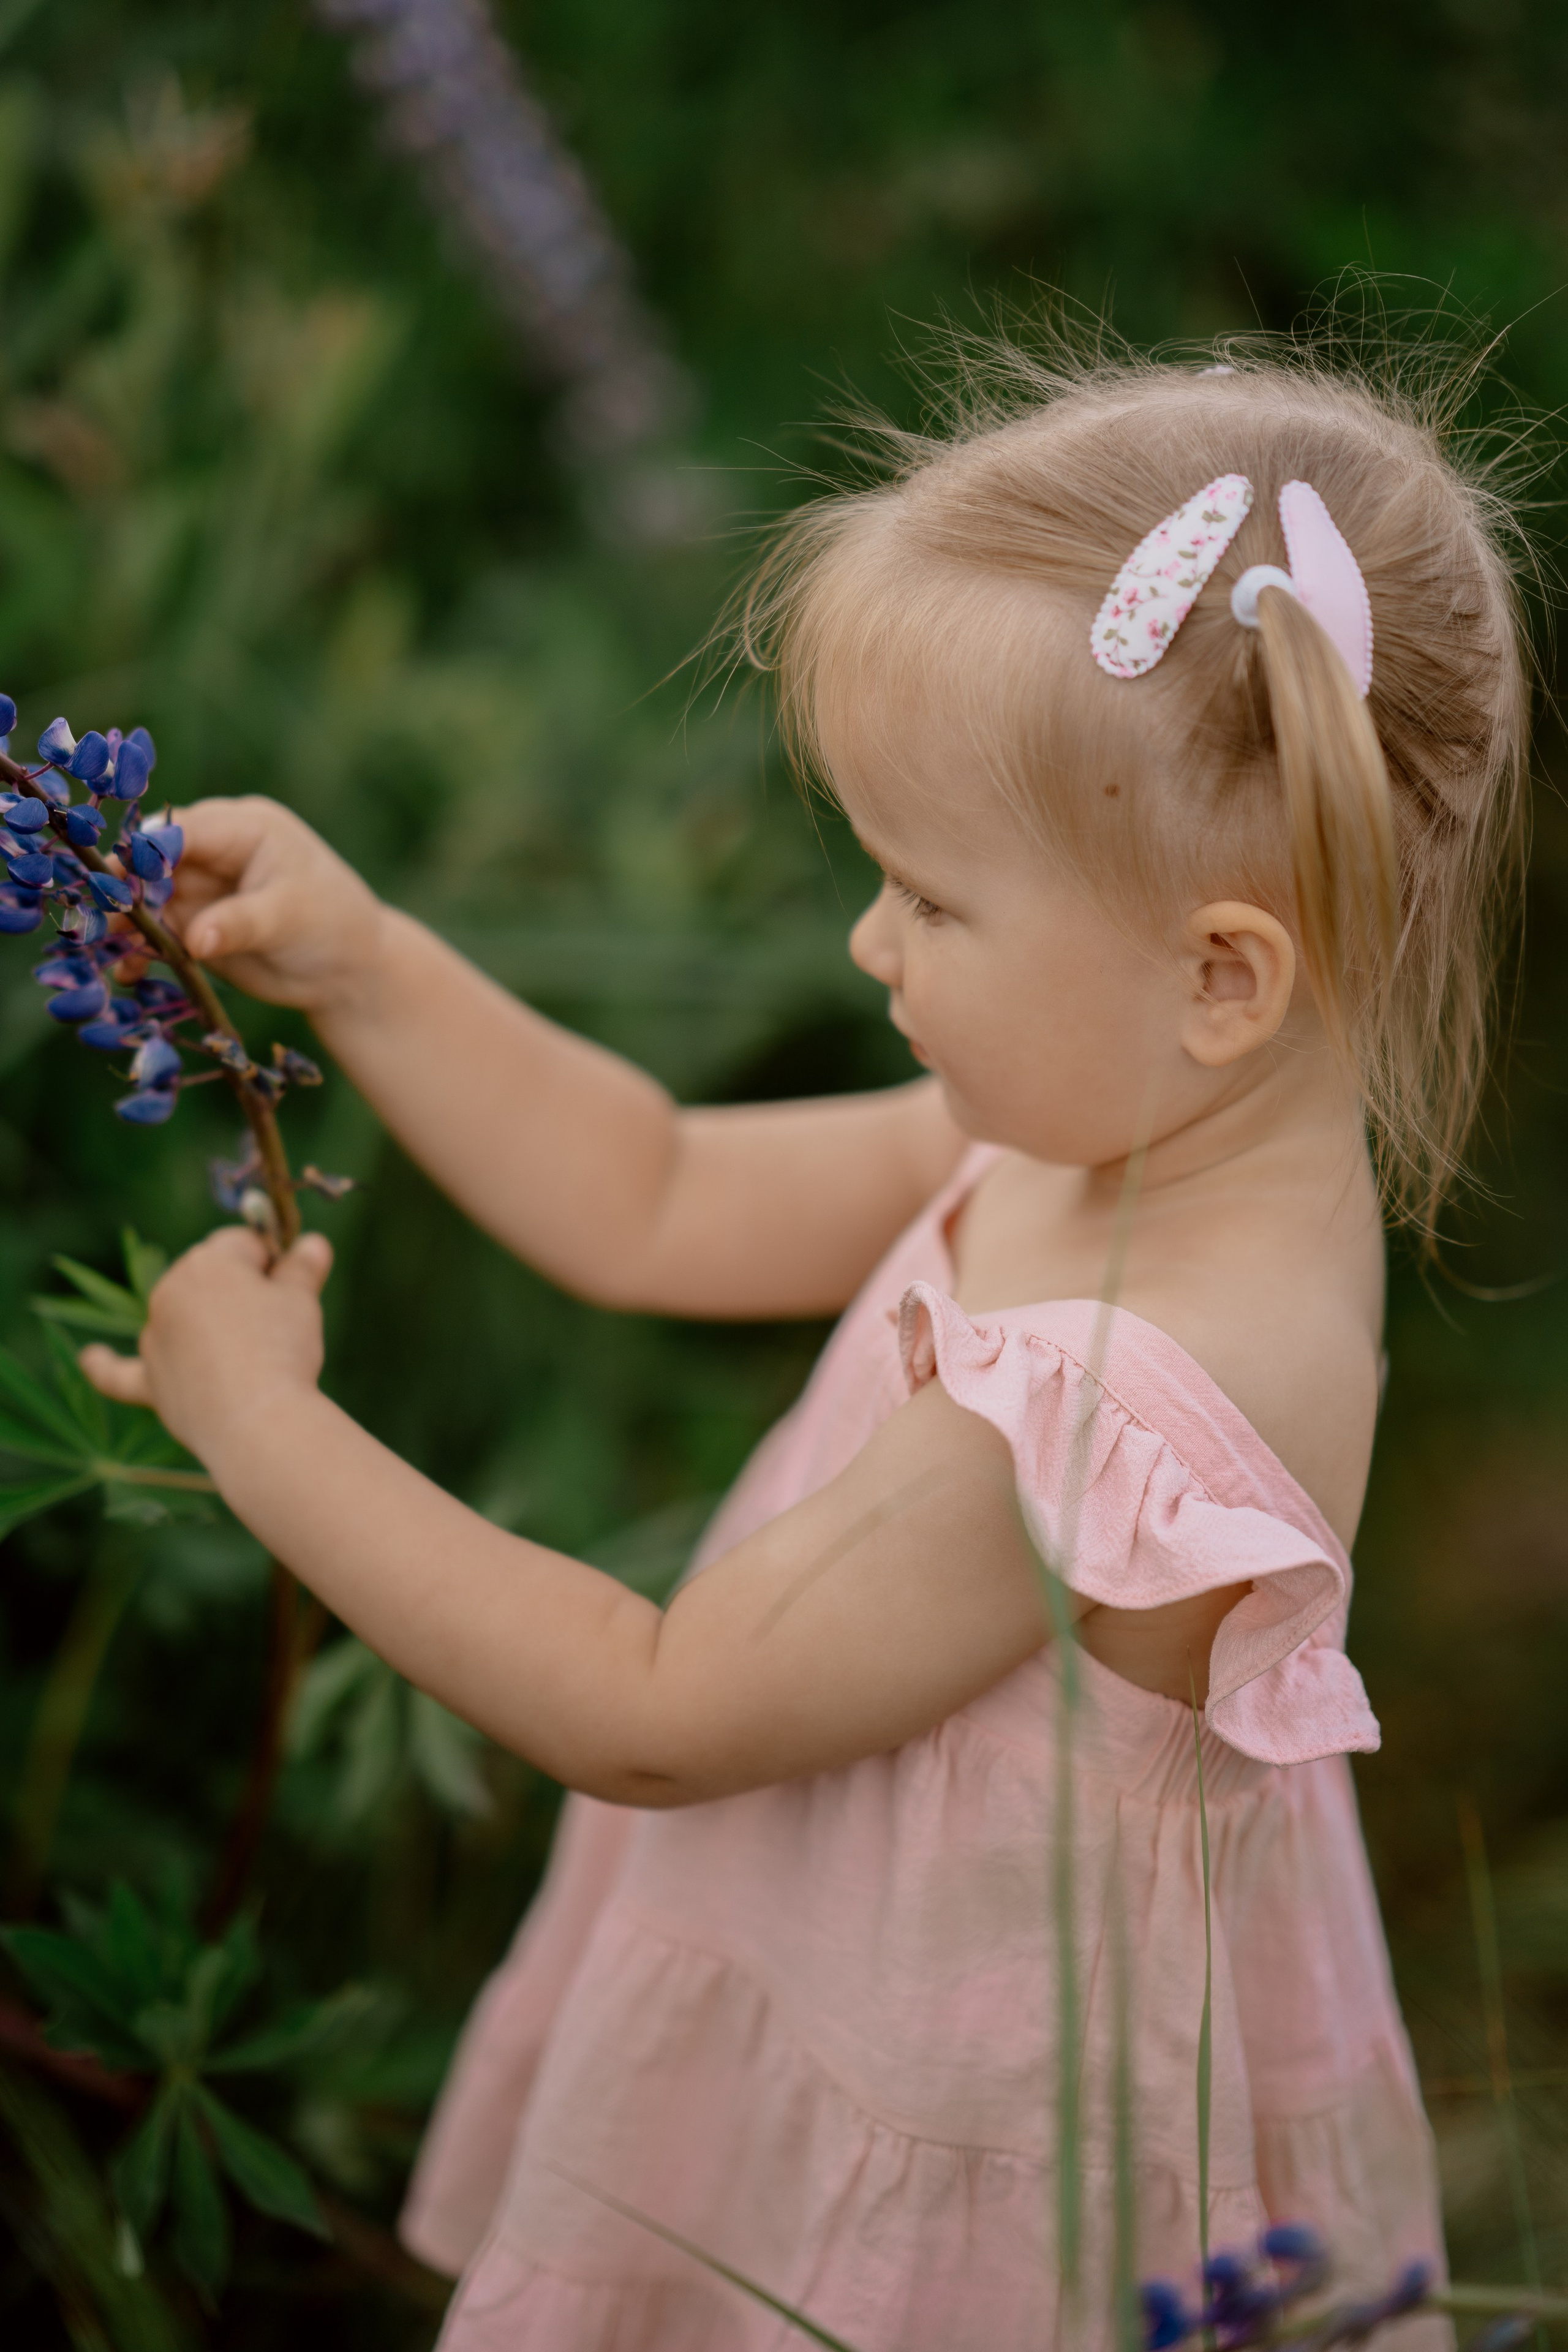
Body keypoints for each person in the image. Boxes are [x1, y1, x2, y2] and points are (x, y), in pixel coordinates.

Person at [82, 343, 1527, 2350]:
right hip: (836, 1965)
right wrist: (372, 965)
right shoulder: (1127, 1125)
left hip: (952, 2156)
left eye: (929, 895)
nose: (869, 944)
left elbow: (655, 1707)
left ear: (1219, 973)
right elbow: (654, 1192)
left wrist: (260, 1430)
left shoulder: (1126, 1399)